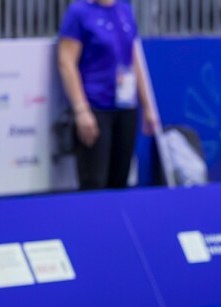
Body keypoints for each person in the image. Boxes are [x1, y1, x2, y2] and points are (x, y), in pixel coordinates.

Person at [57, 0, 159, 191]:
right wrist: (81, 109)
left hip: (126, 105)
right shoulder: (79, 12)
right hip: (95, 107)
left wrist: (147, 106)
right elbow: (66, 62)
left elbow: (135, 60)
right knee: (95, 182)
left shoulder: (124, 8)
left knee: (120, 179)